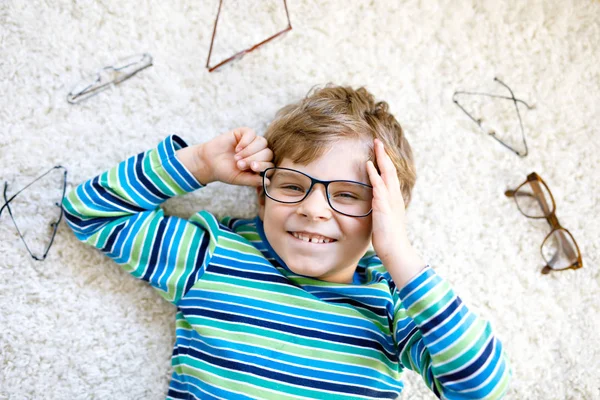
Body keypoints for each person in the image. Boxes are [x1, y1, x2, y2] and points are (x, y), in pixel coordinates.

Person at [62, 84, 510, 399]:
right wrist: (199, 162)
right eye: (293, 186)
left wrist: (400, 256)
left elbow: (481, 388)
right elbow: (88, 212)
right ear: (261, 194)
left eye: (348, 195)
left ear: (384, 215)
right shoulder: (215, 254)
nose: (314, 209)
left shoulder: (395, 306)